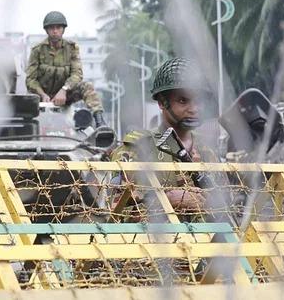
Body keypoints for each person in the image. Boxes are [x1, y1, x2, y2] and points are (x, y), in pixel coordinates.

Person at [110, 57, 228, 220]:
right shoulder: (136, 149)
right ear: (162, 103)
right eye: (182, 101)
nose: (194, 109)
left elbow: (226, 208)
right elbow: (115, 213)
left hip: (205, 242)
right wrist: (167, 200)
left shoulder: (207, 151)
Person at [26, 11, 105, 127]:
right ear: (47, 30)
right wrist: (42, 94)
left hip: (65, 95)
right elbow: (30, 80)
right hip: (43, 98)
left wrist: (64, 90)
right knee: (26, 99)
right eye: (51, 28)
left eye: (58, 27)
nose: (55, 31)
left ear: (63, 29)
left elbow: (77, 74)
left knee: (87, 86)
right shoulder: (37, 50)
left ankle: (100, 122)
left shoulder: (72, 48)